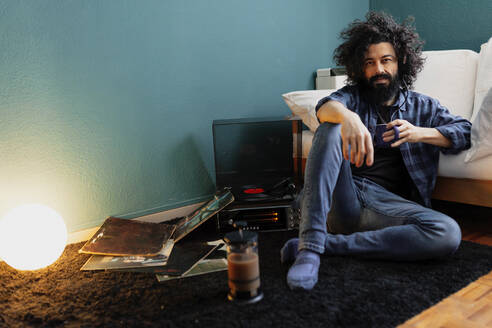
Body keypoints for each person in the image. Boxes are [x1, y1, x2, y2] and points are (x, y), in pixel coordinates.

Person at [281, 12, 472, 290]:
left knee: (447, 233)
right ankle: (309, 249)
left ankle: (331, 245)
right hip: (346, 199)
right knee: (330, 128)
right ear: (361, 68)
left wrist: (419, 133)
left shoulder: (424, 107)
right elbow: (325, 107)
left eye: (386, 60)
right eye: (370, 63)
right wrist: (349, 118)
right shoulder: (353, 97)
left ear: (401, 61)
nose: (378, 69)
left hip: (390, 208)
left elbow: (465, 131)